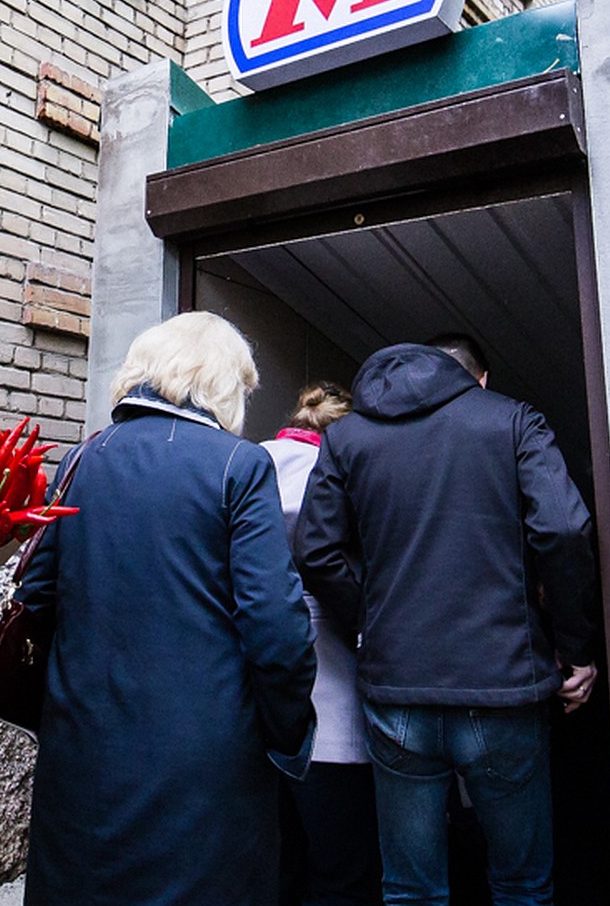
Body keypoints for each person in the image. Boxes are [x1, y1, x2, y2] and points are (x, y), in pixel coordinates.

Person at [18, 311, 317, 906]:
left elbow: (35, 595)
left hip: (81, 747)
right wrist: (289, 735)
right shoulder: (239, 464)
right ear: (222, 383)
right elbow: (276, 627)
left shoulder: (82, 459)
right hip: (202, 763)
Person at [294, 333, 598, 906]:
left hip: (397, 689)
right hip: (505, 688)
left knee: (411, 890)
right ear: (477, 379)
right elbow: (562, 530)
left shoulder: (346, 438)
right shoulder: (511, 420)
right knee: (521, 886)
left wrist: (371, 616)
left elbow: (315, 552)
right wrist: (574, 647)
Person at [263, 382, 383, 906]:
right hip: (335, 692)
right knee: (344, 869)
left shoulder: (254, 463)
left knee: (278, 863)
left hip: (264, 704)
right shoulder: (344, 473)